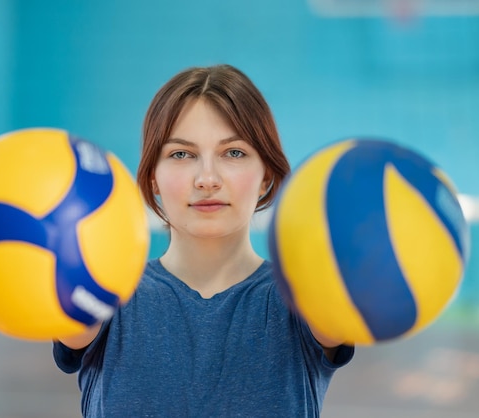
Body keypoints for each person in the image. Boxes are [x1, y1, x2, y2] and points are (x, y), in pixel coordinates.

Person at [53, 64, 354, 417]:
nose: (207, 178)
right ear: (152, 176)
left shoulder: (301, 297)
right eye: (181, 154)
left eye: (234, 153)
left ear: (265, 176)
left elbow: (343, 315)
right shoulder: (107, 292)